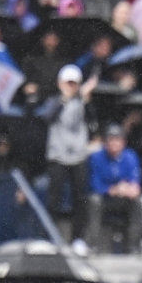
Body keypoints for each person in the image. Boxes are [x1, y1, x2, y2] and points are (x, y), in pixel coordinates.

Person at [45, 64, 95, 247]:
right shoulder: (54, 101)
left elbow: (92, 123)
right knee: (54, 199)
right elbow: (48, 117)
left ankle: (78, 239)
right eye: (68, 83)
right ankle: (51, 238)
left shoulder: (83, 101)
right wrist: (63, 100)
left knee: (80, 199)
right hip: (58, 156)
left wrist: (87, 100)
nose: (71, 87)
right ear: (60, 83)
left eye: (75, 83)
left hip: (79, 156)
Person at [87, 123, 142, 253]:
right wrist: (113, 189)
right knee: (93, 201)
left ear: (123, 142)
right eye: (111, 140)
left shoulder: (130, 156)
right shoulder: (96, 157)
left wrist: (131, 189)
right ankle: (93, 244)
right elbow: (94, 184)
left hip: (124, 198)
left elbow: (135, 181)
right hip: (105, 198)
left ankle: (134, 245)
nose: (115, 144)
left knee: (138, 202)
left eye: (118, 140)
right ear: (106, 142)